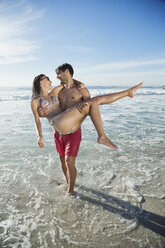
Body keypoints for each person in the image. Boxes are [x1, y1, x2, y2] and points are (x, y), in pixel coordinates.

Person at [31, 63, 143, 194]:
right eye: (48, 78)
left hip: (68, 125)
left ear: (66, 72)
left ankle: (70, 190)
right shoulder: (42, 97)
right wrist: (40, 135)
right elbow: (37, 119)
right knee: (62, 159)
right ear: (40, 82)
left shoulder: (60, 91)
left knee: (93, 102)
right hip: (57, 128)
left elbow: (72, 83)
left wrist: (81, 89)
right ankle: (68, 182)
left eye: (57, 74)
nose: (54, 78)